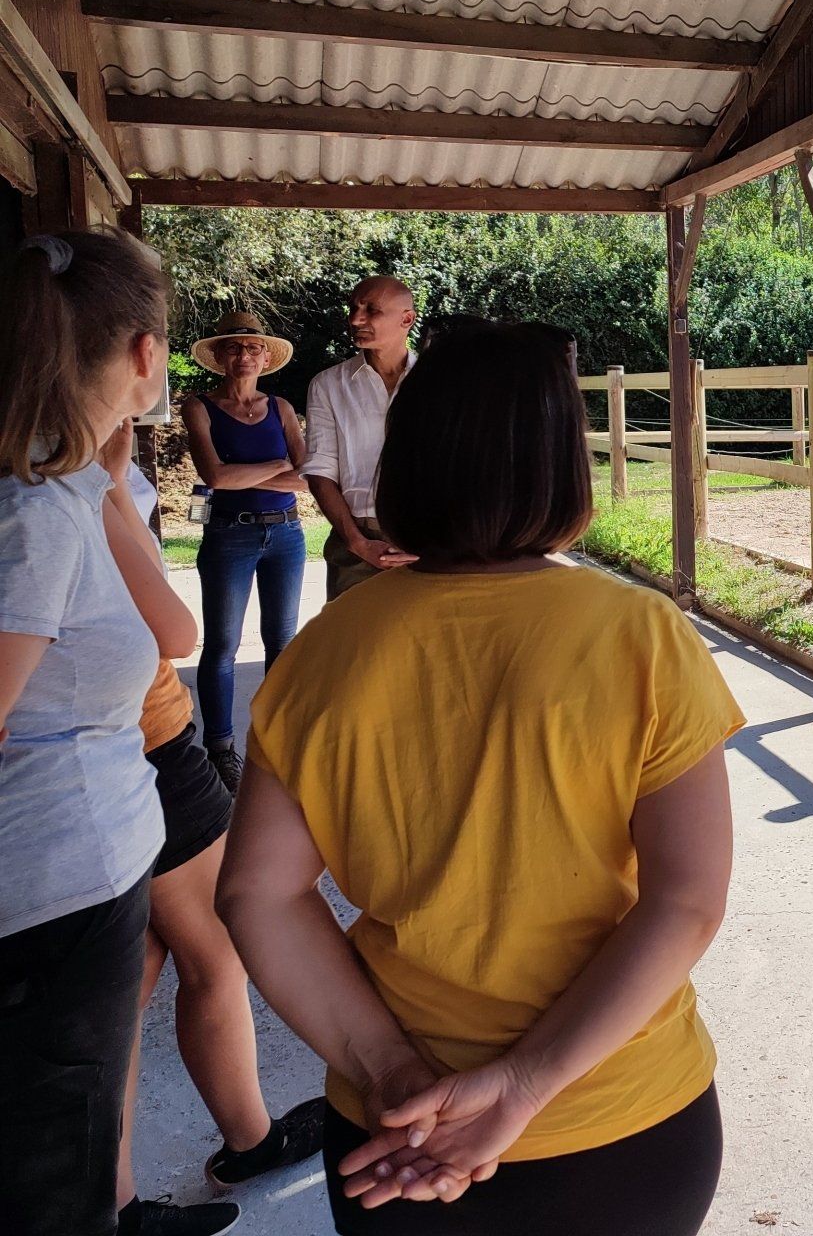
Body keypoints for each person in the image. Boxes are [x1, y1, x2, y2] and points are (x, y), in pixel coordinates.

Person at [217, 322, 743, 1235]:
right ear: (561, 467)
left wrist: (391, 1072)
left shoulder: (327, 649)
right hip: (620, 1118)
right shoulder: (642, 637)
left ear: (409, 457)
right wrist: (524, 1084)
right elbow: (687, 901)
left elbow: (257, 895)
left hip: (396, 1135)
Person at [0, 230, 191, 1236]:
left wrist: (111, 482)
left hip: (87, 875)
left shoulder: (72, 486)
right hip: (48, 890)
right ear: (145, 355)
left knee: (69, 1162)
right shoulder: (32, 510)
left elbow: (175, 632)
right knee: (48, 1185)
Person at [112, 465, 325, 1236]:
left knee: (132, 971)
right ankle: (242, 1146)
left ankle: (116, 1197)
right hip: (141, 737)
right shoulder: (67, 475)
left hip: (123, 737)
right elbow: (174, 630)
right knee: (206, 953)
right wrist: (108, 482)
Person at [181, 311, 307, 787]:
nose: (244, 355)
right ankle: (221, 750)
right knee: (222, 647)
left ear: (265, 357)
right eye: (233, 347)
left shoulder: (281, 407)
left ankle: (277, 742)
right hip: (228, 535)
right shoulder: (199, 407)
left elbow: (307, 476)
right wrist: (276, 464)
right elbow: (214, 476)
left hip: (287, 534)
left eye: (253, 348)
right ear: (218, 356)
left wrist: (245, 475)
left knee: (283, 643)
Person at [305, 277, 417, 600]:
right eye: (353, 308)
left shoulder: (439, 381)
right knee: (351, 632)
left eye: (372, 310)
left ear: (406, 319)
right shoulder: (328, 385)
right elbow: (320, 471)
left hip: (428, 539)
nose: (356, 319)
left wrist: (440, 540)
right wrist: (358, 543)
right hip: (356, 543)